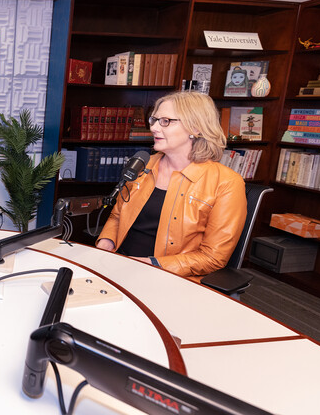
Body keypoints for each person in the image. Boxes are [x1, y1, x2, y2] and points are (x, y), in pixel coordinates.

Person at [96, 91, 247, 282]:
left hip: (172, 279)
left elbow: (213, 258)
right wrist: (105, 245)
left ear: (196, 128)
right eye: (154, 120)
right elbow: (118, 216)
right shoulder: (142, 165)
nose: (154, 128)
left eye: (165, 121)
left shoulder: (227, 183)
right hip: (121, 267)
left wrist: (150, 265)